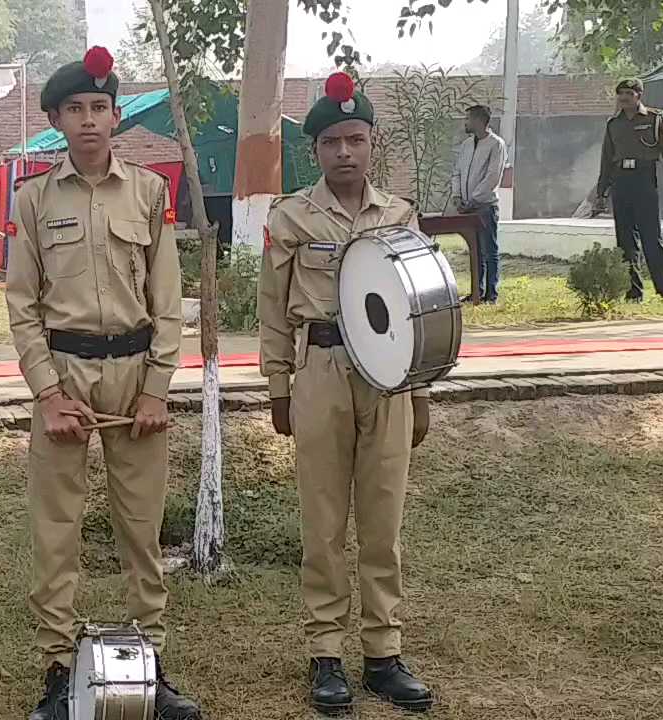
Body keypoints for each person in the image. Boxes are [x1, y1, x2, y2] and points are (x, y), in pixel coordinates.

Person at [5, 46, 200, 720]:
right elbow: (23, 305)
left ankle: (152, 661)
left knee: (140, 529)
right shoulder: (33, 199)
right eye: (75, 109)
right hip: (65, 374)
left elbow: (167, 298)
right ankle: (58, 671)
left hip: (133, 374)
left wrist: (156, 388)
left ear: (116, 116)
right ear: (57, 118)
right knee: (55, 531)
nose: (88, 119)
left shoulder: (148, 193)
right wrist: (48, 394)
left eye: (99, 107)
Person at [257, 72, 435, 715]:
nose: (345, 153)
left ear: (371, 143)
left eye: (355, 140)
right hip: (322, 368)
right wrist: (278, 386)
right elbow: (273, 310)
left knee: (383, 523)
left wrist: (418, 391)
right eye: (332, 142)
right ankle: (325, 655)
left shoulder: (399, 215)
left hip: (388, 376)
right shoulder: (292, 216)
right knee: (324, 523)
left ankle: (383, 654)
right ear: (317, 150)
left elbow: (419, 308)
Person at [596, 77, 663, 305]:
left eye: (628, 93)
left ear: (639, 95)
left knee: (651, 237)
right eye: (621, 94)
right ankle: (633, 292)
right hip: (620, 180)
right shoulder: (613, 124)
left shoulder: (655, 118)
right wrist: (601, 191)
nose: (624, 98)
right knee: (625, 240)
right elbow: (606, 159)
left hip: (644, 179)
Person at [451, 104, 506, 304]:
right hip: (467, 206)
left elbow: (492, 177)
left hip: (484, 206)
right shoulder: (466, 145)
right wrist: (457, 196)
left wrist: (473, 199)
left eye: (468, 119)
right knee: (475, 251)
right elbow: (457, 172)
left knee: (489, 250)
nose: (465, 123)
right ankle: (477, 292)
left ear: (479, 121)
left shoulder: (496, 144)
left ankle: (491, 294)